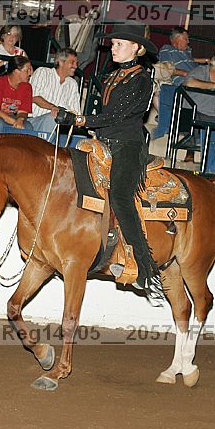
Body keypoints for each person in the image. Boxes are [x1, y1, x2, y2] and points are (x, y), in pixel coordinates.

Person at [54, 22, 165, 306]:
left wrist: (80, 120)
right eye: (113, 44)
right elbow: (106, 114)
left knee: (120, 196)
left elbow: (117, 116)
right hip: (104, 141)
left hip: (128, 145)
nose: (113, 48)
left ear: (136, 48)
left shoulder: (142, 80)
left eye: (119, 44)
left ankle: (144, 267)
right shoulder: (112, 76)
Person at [153, 27, 209, 138]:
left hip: (196, 79)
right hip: (184, 81)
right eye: (185, 39)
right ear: (177, 40)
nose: (188, 42)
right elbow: (165, 68)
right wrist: (185, 73)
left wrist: (206, 61)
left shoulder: (187, 52)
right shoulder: (167, 49)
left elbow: (192, 60)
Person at [29, 47, 80, 133]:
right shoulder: (43, 72)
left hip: (59, 126)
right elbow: (34, 97)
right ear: (60, 62)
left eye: (76, 63)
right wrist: (53, 108)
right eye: (72, 62)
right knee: (53, 117)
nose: (75, 66)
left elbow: (75, 112)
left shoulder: (73, 84)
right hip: (34, 121)